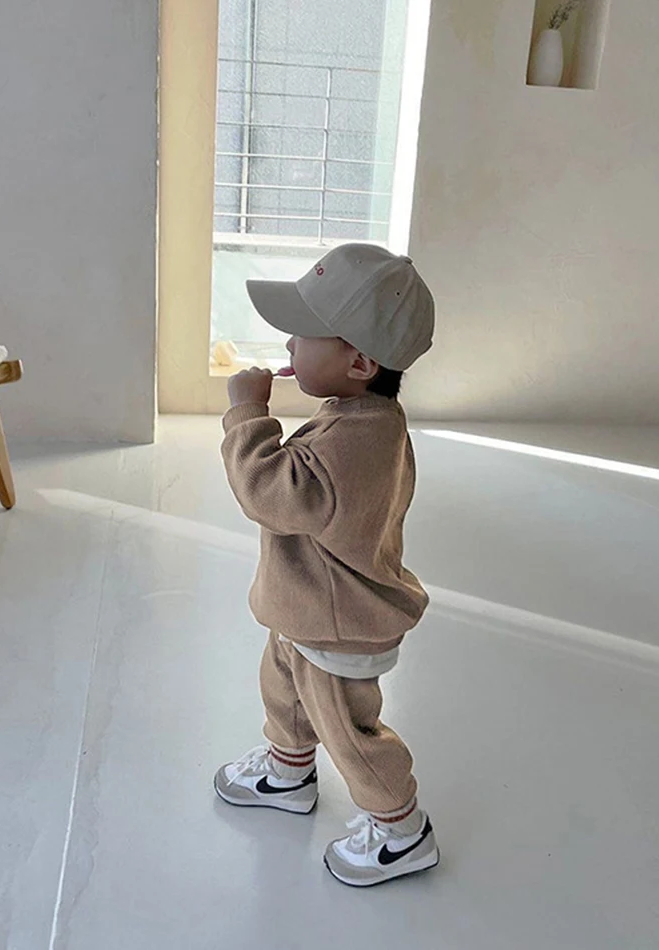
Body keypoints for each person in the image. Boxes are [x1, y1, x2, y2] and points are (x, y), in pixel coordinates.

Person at [214, 243, 439, 887]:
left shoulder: (354, 442)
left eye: (303, 333)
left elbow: (268, 493)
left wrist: (247, 414)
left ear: (359, 362)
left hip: (338, 625)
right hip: (310, 608)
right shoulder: (362, 415)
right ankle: (287, 774)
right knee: (284, 690)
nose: (288, 344)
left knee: (349, 733)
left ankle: (401, 831)